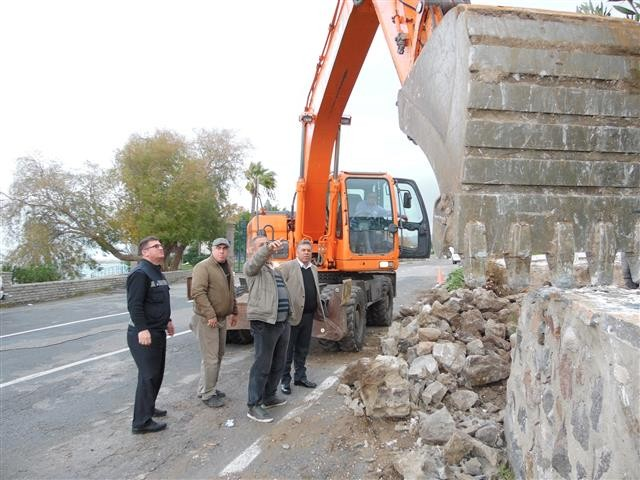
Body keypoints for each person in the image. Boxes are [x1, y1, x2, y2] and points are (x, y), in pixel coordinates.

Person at [126, 236, 175, 434]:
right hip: (144, 334)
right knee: (148, 376)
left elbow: (160, 301)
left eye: (161, 245)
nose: (161, 248)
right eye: (156, 246)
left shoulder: (157, 272)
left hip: (158, 330)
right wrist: (142, 329)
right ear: (145, 252)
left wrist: (168, 320)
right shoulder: (140, 273)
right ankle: (141, 422)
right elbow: (135, 304)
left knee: (156, 374)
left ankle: (149, 407)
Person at [243, 236, 291, 423]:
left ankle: (269, 396)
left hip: (282, 322)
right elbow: (254, 263)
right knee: (262, 365)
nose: (267, 248)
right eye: (261, 245)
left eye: (267, 244)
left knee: (278, 363)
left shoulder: (273, 269)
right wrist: (268, 249)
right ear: (252, 250)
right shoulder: (253, 268)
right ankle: (253, 405)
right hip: (265, 322)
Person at [190, 237, 238, 408]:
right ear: (212, 249)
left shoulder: (226, 267)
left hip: (222, 318)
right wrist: (210, 314)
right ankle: (208, 394)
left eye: (225, 248)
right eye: (219, 248)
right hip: (207, 320)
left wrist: (234, 311)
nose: (222, 251)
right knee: (211, 358)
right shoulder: (203, 267)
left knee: (218, 355)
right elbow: (198, 292)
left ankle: (206, 388)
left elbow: (231, 291)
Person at [278, 240, 324, 394]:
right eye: (303, 250)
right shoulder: (287, 267)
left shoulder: (314, 269)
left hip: (308, 316)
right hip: (292, 316)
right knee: (287, 350)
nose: (306, 253)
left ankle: (300, 377)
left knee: (303, 349)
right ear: (297, 252)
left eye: (308, 251)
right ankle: (284, 381)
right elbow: (278, 286)